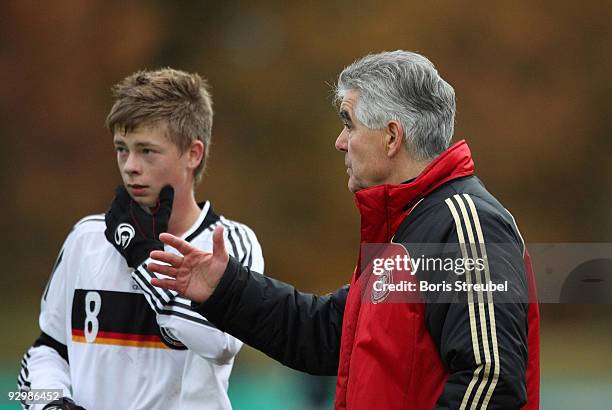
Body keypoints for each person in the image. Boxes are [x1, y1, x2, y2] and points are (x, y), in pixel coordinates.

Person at [153, 51, 538, 409]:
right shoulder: (408, 227)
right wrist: (227, 288)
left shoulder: (465, 224)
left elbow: (490, 381)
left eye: (348, 124)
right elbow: (323, 334)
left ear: (391, 136)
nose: (340, 143)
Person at [17, 68, 264, 410]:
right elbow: (47, 350)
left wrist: (143, 255)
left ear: (193, 154)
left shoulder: (230, 242)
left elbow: (219, 344)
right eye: (122, 149)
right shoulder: (86, 237)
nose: (131, 165)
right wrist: (49, 404)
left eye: (147, 151)